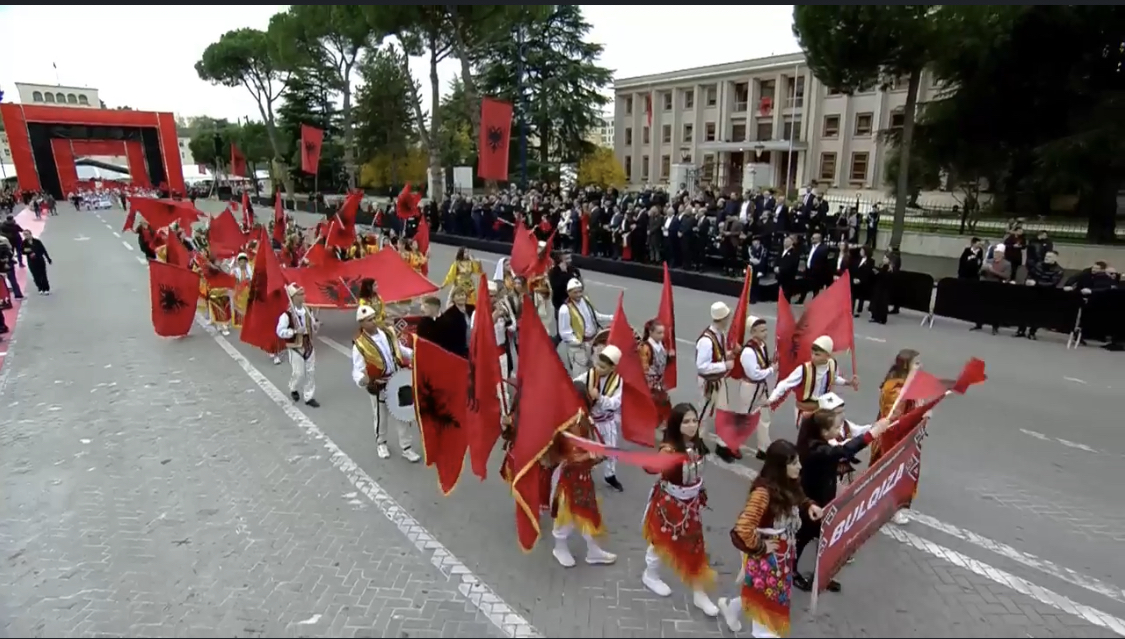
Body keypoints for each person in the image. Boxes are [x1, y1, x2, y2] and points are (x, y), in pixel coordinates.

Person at [718, 440, 823, 637]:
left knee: (762, 592)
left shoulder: (788, 483)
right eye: (794, 463)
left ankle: (730, 607)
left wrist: (809, 505)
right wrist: (760, 547)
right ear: (780, 466)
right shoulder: (763, 493)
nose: (799, 467)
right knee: (763, 606)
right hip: (766, 558)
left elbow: (797, 496)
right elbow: (742, 529)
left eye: (798, 461)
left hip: (782, 555)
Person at [792, 397, 891, 593]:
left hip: (826, 499)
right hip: (812, 503)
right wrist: (872, 434)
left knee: (826, 540)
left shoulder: (816, 435)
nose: (839, 432)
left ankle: (822, 574)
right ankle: (792, 571)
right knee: (802, 538)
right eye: (836, 429)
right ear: (824, 431)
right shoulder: (816, 450)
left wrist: (875, 428)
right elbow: (844, 450)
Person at [641, 403, 719, 617]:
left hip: (692, 504)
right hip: (669, 504)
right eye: (686, 421)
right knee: (660, 542)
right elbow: (650, 467)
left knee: (695, 546)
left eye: (694, 420)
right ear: (677, 424)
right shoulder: (669, 449)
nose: (692, 425)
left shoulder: (697, 445)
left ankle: (699, 592)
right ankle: (650, 574)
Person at [548, 379, 618, 568]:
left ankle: (593, 550)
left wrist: (597, 455)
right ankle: (559, 548)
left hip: (584, 478)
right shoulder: (561, 424)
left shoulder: (585, 419)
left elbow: (590, 446)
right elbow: (560, 456)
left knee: (589, 514)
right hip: (568, 479)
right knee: (566, 517)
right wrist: (591, 456)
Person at [351, 305, 421, 462]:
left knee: (403, 415)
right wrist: (363, 379)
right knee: (381, 416)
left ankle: (406, 447)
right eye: (369, 320)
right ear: (361, 323)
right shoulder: (360, 345)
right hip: (379, 384)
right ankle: (381, 443)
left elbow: (400, 350)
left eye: (374, 318)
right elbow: (357, 369)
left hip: (396, 380)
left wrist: (415, 354)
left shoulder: (387, 333)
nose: (373, 322)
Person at [872, 349, 921, 526]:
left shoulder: (909, 385)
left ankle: (893, 506)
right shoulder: (894, 387)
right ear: (906, 365)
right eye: (916, 363)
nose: (919, 366)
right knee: (892, 474)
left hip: (907, 436)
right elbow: (893, 416)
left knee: (903, 474)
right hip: (892, 438)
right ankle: (891, 509)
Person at [767, 335, 857, 428]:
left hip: (823, 408)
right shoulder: (803, 369)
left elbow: (833, 378)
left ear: (828, 355)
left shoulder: (832, 364)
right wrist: (771, 399)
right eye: (812, 353)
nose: (813, 357)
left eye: (817, 354)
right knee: (806, 437)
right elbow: (785, 384)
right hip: (806, 409)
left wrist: (848, 383)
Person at [695, 302, 741, 462]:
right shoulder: (706, 340)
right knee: (704, 413)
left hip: (718, 381)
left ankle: (722, 446)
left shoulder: (719, 334)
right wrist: (725, 365)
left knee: (723, 413)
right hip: (708, 383)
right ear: (722, 318)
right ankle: (697, 440)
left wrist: (728, 354)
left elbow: (717, 355)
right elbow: (701, 366)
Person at [575, 345, 624, 491]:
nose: (598, 368)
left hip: (606, 421)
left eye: (603, 367)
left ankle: (610, 475)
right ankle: (584, 474)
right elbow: (575, 383)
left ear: (612, 368)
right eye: (597, 364)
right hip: (589, 421)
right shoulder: (590, 374)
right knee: (586, 451)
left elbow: (616, 403)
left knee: (610, 450)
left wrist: (600, 398)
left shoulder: (618, 382)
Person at [738, 316, 777, 460]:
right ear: (753, 332)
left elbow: (762, 366)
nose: (765, 333)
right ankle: (730, 444)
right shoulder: (748, 351)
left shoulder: (762, 346)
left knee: (764, 417)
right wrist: (772, 369)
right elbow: (754, 373)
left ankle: (764, 448)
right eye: (762, 331)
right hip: (750, 387)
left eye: (766, 330)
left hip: (760, 387)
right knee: (744, 418)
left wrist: (770, 363)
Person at [276, 284, 320, 408]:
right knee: (298, 373)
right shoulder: (286, 315)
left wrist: (315, 326)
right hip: (295, 346)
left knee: (311, 371)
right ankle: (293, 387)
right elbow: (279, 332)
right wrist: (295, 332)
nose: (303, 296)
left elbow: (312, 325)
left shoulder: (308, 310)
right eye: (300, 294)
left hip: (308, 344)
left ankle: (309, 396)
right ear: (293, 297)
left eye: (303, 293)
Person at [558, 278, 612, 375]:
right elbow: (565, 333)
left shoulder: (585, 300)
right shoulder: (565, 309)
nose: (579, 295)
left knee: (594, 373)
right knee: (581, 375)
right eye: (575, 292)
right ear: (568, 292)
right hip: (579, 348)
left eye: (580, 291)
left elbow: (595, 316)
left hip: (593, 343)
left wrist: (611, 317)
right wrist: (578, 342)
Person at [638, 320, 673, 426]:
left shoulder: (662, 345)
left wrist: (669, 357)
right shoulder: (645, 348)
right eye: (659, 333)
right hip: (651, 383)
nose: (662, 335)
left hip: (660, 382)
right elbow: (644, 368)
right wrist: (653, 383)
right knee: (654, 404)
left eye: (663, 333)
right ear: (651, 332)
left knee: (663, 404)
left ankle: (660, 422)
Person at [20, 229, 52, 295]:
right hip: (31, 262)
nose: (26, 236)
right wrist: (28, 251)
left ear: (30, 234)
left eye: (27, 234)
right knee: (36, 276)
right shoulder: (24, 243)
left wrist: (48, 258)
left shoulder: (37, 242)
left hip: (40, 260)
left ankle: (46, 288)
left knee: (43, 275)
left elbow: (43, 250)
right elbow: (22, 251)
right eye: (25, 235)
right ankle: (40, 288)